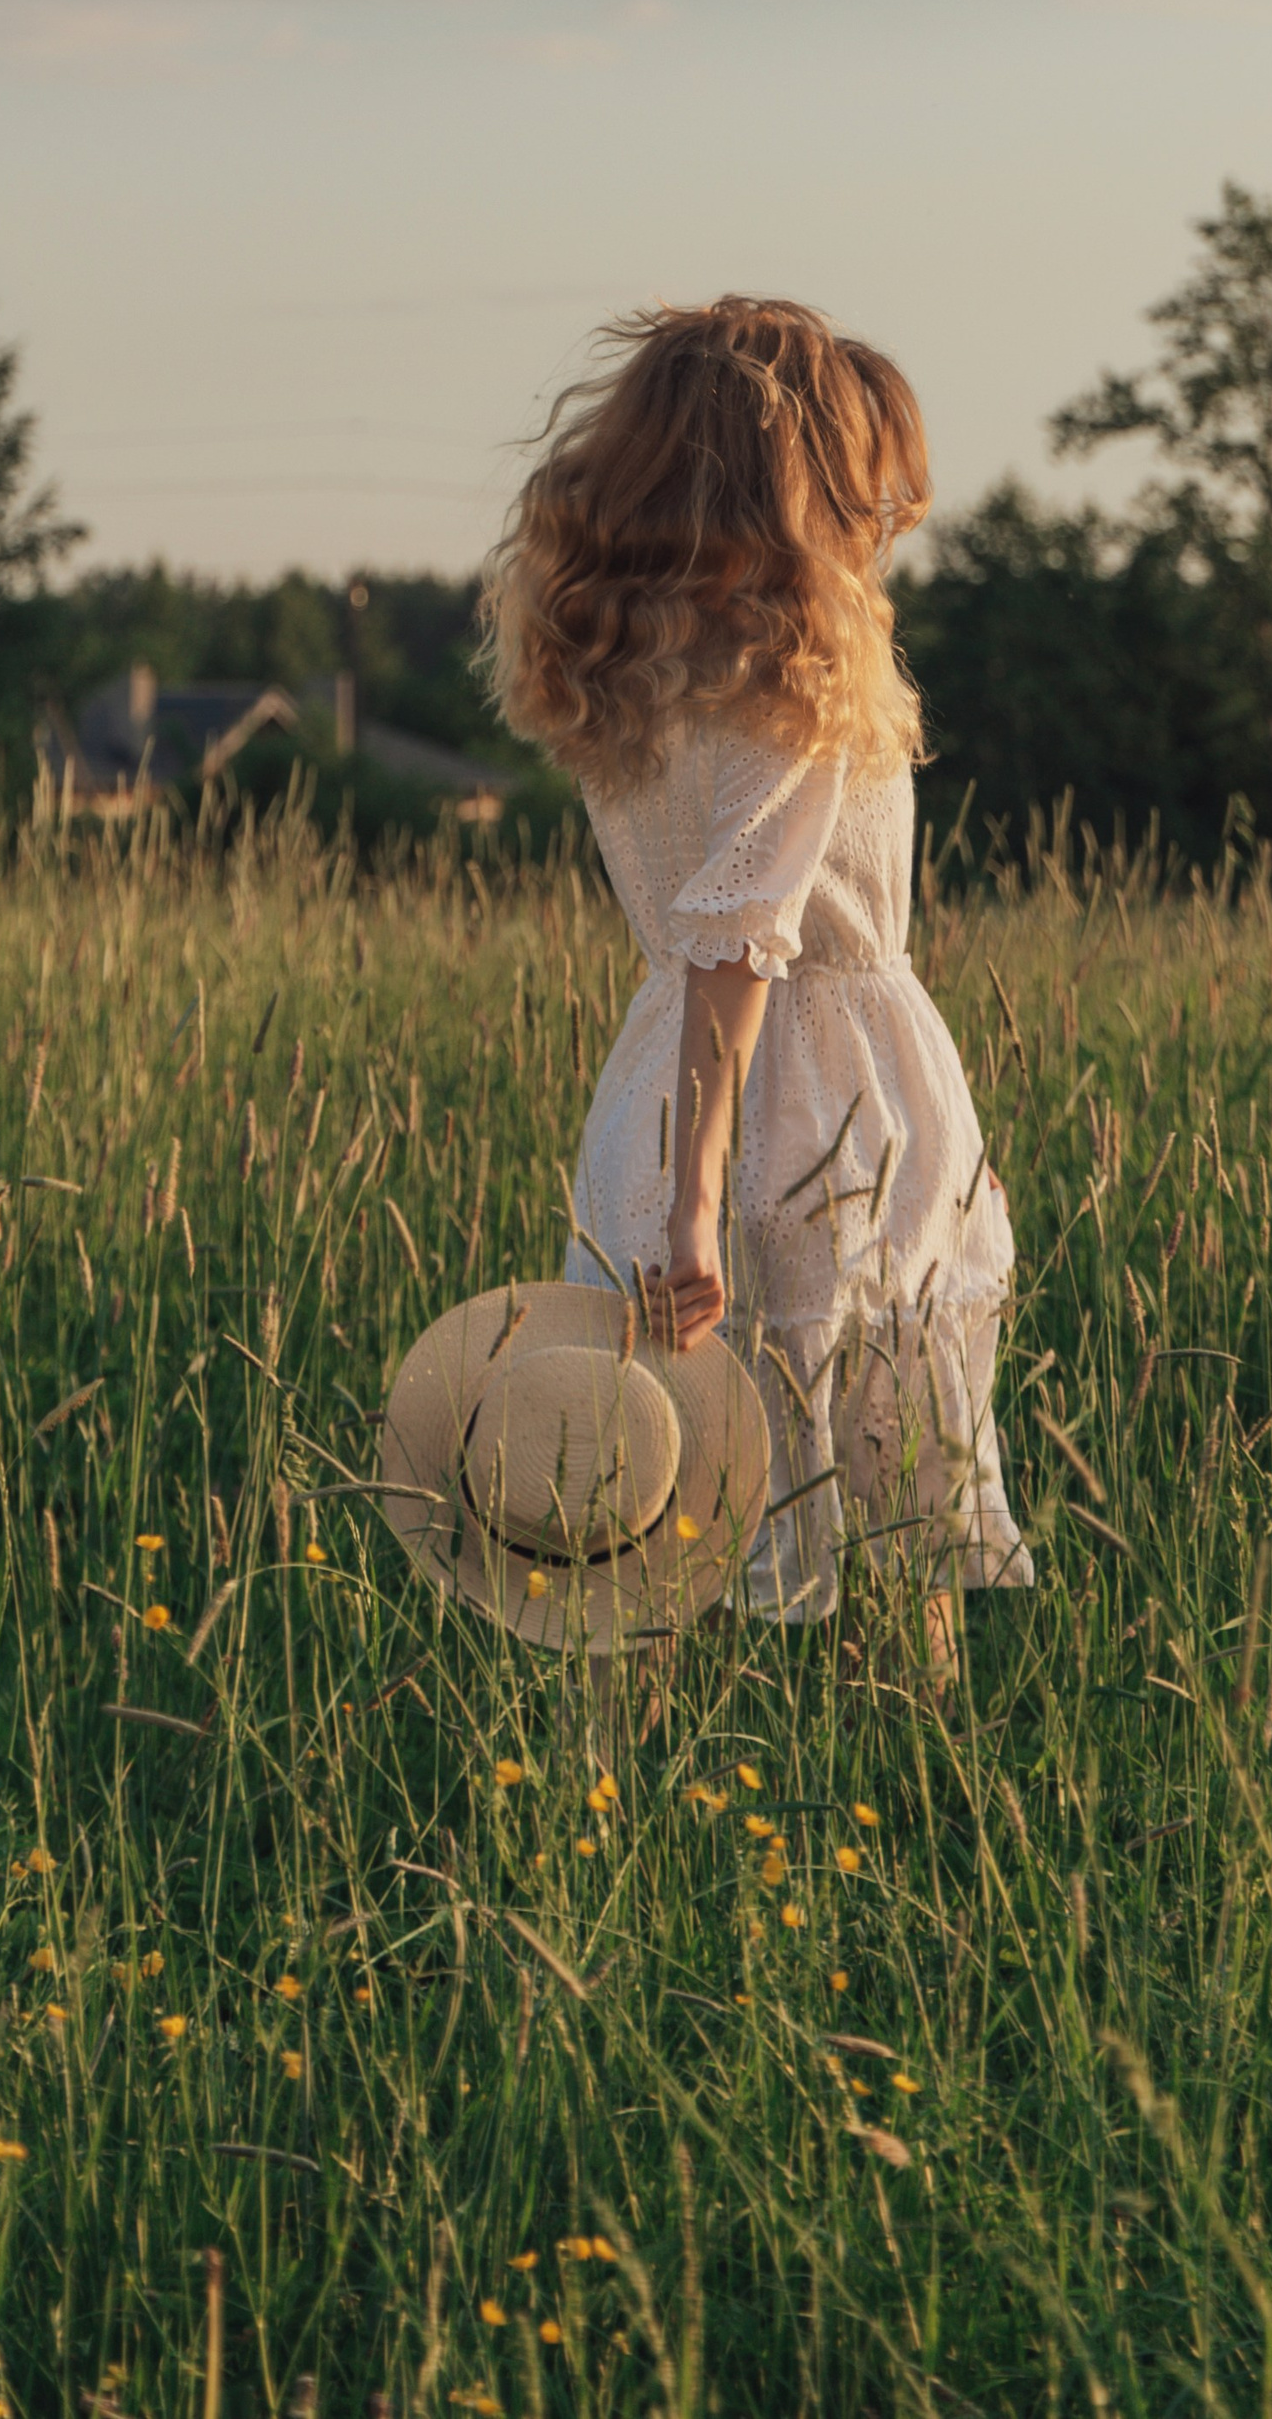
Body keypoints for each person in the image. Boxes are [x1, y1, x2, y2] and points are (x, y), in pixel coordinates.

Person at [484, 296, 1034, 1678]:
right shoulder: (793, 669)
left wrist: (667, 1176)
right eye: (865, 479)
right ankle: (910, 1805)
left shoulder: (633, 666)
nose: (888, 515)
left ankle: (620, 1820)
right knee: (892, 1504)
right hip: (817, 1112)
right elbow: (741, 933)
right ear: (803, 477)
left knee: (658, 1501)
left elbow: (702, 940)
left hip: (661, 1083)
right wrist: (697, 1203)